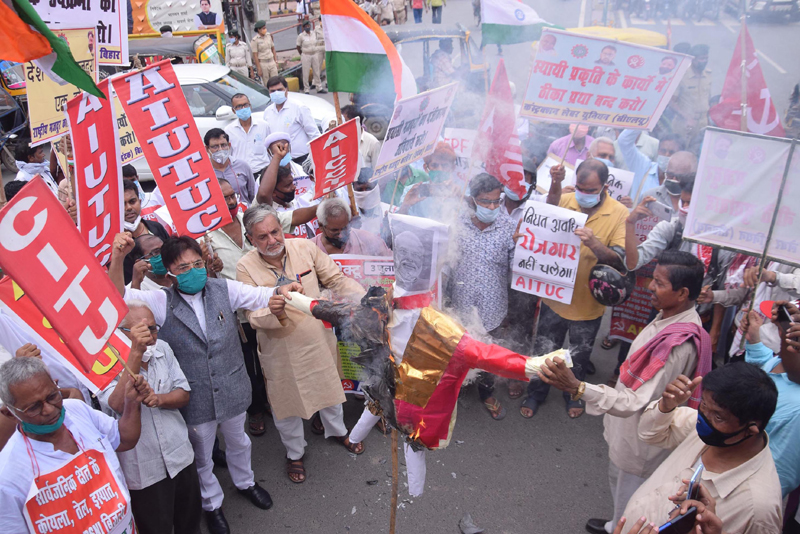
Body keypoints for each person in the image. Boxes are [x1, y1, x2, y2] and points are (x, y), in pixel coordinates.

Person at [110, 233, 301, 534]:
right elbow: (116, 299)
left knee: (239, 441)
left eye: (197, 264)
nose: (193, 271)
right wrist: (118, 258)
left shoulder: (222, 288)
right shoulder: (161, 301)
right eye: (183, 268)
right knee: (201, 453)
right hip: (194, 395)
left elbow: (258, 295)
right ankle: (212, 504)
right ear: (169, 273)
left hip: (232, 385)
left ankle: (245, 482)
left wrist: (281, 290)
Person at [538, 250, 712, 534]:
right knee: (618, 484)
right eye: (653, 279)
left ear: (682, 293)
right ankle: (612, 525)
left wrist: (577, 387)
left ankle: (617, 528)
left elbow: (634, 402)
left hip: (641, 440)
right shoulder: (670, 318)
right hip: (628, 430)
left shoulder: (676, 346)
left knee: (632, 503)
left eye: (659, 283)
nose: (650, 287)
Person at [236, 204, 367, 483]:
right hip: (279, 347)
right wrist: (274, 310)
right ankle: (294, 453)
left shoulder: (304, 247)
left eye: (275, 232)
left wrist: (365, 299)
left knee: (329, 390)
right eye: (262, 237)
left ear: (282, 228)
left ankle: (339, 431)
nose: (272, 240)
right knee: (286, 406)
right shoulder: (244, 267)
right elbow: (252, 316)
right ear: (250, 239)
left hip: (316, 338)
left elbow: (336, 279)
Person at [522, 159, 628, 420]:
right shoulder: (565, 200)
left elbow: (618, 260)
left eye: (591, 190)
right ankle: (536, 393)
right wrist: (556, 183)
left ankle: (574, 395)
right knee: (544, 351)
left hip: (588, 305)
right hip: (554, 298)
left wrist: (594, 243)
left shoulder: (619, 213)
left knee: (579, 356)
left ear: (604, 186)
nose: (584, 194)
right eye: (580, 188)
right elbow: (545, 215)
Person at [623, 362, 783, 534]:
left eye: (718, 417)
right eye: (704, 404)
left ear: (750, 430)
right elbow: (649, 434)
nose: (704, 418)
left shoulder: (758, 511)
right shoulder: (705, 426)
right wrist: (666, 406)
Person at [0, 357, 147, 532]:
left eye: (52, 396)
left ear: (56, 385)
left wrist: (132, 403)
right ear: (9, 413)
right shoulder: (7, 475)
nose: (49, 410)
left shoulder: (77, 410)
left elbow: (123, 438)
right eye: (33, 408)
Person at [98, 302, 201, 534]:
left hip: (180, 456)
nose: (151, 336)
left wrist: (159, 399)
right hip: (144, 471)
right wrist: (135, 353)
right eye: (143, 331)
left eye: (154, 328)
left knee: (190, 524)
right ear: (122, 332)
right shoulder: (105, 361)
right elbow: (116, 405)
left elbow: (184, 393)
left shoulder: (162, 348)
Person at [446, 173, 517, 420]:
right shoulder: (456, 224)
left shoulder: (509, 228)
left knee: (490, 354)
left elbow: (518, 271)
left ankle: (486, 393)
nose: (492, 207)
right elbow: (443, 261)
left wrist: (522, 249)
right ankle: (455, 391)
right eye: (486, 201)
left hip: (493, 308)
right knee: (458, 351)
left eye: (497, 201)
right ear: (472, 199)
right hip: (460, 305)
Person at [204, 178, 270, 437]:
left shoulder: (250, 222)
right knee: (246, 364)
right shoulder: (204, 236)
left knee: (268, 358)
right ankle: (255, 410)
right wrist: (210, 267)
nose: (231, 201)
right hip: (233, 315)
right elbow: (205, 279)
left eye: (232, 195)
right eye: (225, 198)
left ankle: (271, 401)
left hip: (262, 304)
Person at [742, 301, 800, 498]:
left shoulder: (797, 409)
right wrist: (754, 339)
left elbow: (780, 474)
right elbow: (766, 366)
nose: (781, 332)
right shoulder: (781, 361)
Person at [700, 263, 800, 360]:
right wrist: (713, 296)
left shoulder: (790, 258)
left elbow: (797, 283)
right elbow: (744, 292)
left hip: (767, 345)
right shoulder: (763, 258)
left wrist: (772, 276)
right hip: (739, 332)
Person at [256, 132, 322, 238]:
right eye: (277, 149)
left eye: (284, 147)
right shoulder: (264, 182)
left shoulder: (301, 171)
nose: (294, 187)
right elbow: (263, 195)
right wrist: (277, 157)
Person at [122, 179, 171, 285]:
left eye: (132, 202)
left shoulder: (156, 227)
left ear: (140, 202)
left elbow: (173, 256)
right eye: (122, 204)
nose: (128, 208)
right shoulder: (111, 243)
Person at [618, 128, 683, 206]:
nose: (666, 155)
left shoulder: (681, 180)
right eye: (663, 151)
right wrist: (643, 123)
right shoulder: (643, 166)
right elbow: (624, 141)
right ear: (658, 151)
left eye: (671, 152)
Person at [263, 76, 320, 163]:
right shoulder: (268, 112)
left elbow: (314, 134)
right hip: (279, 161)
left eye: (279, 90)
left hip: (301, 159)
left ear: (286, 89)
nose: (276, 93)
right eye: (273, 91)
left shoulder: (299, 108)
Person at [312, 197, 391, 256]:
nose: (341, 235)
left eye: (345, 228)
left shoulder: (368, 240)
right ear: (321, 226)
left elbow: (392, 263)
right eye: (334, 230)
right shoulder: (310, 249)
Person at [668, 44, 712, 140]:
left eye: (706, 58)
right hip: (684, 123)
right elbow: (671, 102)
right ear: (693, 59)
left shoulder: (708, 74)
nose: (705, 61)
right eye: (701, 59)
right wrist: (687, 118)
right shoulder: (681, 75)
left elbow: (707, 98)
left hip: (703, 123)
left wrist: (708, 119)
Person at [205, 128, 257, 206]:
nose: (220, 149)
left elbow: (253, 195)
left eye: (223, 145)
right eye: (215, 147)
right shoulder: (204, 172)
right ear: (207, 149)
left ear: (229, 145)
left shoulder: (242, 166)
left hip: (244, 212)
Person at [225, 93, 271, 181]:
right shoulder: (228, 130)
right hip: (241, 174)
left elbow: (270, 150)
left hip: (263, 171)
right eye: (239, 106)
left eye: (245, 105)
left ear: (250, 106)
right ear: (233, 110)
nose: (243, 108)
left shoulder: (263, 125)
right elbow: (229, 155)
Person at [341, 105, 382, 169]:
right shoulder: (340, 141)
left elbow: (377, 170)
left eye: (345, 122)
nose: (342, 126)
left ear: (355, 122)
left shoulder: (373, 143)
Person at [297, 21, 325, 94]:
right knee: (306, 73)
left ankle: (319, 87)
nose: (308, 27)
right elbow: (298, 46)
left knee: (317, 71)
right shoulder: (301, 36)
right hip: (306, 55)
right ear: (303, 27)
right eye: (306, 26)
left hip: (314, 54)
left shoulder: (313, 34)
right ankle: (306, 89)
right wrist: (302, 53)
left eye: (309, 25)